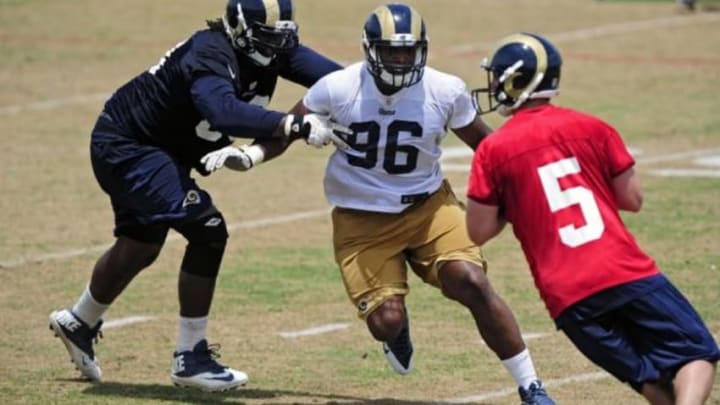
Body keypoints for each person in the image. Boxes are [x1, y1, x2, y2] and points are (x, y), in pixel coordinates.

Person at [202, 4, 556, 404]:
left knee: (471, 282)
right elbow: (284, 130)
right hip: (361, 218)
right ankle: (397, 330)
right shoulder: (337, 87)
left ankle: (531, 386)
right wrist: (251, 156)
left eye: (408, 50)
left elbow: (486, 146)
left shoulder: (445, 89)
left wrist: (523, 182)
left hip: (429, 208)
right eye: (391, 50)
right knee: (386, 321)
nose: (401, 59)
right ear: (370, 49)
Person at [48, 0, 344, 392]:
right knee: (208, 229)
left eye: (283, 37)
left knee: (142, 243)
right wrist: (294, 124)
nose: (278, 47)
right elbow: (222, 112)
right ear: (239, 31)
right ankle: (191, 357)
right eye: (269, 37)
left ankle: (78, 320)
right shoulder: (209, 53)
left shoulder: (271, 47)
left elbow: (339, 80)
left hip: (164, 149)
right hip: (129, 146)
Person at [465, 32, 720, 404]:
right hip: (623, 271)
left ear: (517, 80)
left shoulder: (493, 149)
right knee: (696, 353)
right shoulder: (593, 128)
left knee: (647, 380)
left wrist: (515, 199)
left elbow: (478, 230)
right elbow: (632, 199)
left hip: (566, 296)